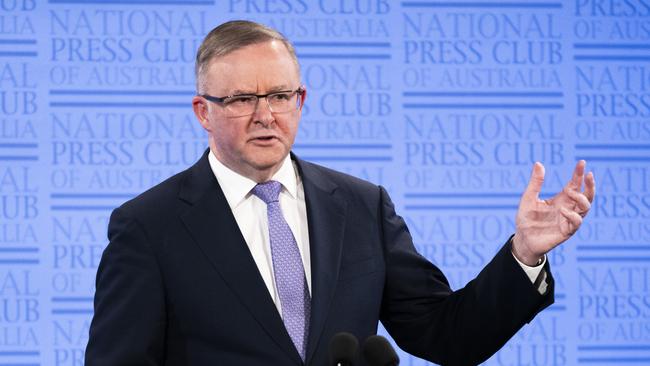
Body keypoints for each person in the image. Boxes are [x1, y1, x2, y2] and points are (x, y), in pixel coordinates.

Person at [85, 20, 595, 366]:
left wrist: (524, 253)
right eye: (242, 98)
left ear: (300, 99)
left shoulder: (362, 206)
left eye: (281, 95)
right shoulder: (148, 226)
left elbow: (446, 334)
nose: (266, 115)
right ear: (203, 111)